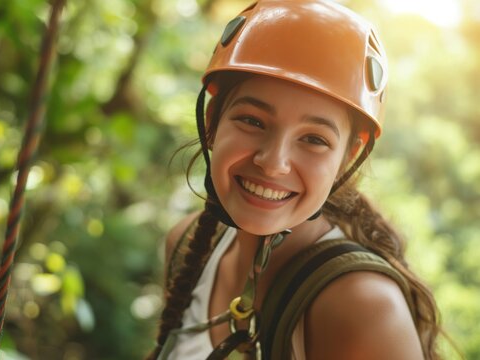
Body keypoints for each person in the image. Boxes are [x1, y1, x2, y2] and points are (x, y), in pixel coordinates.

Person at [148, 0, 441, 359]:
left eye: (314, 139)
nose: (273, 163)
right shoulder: (187, 245)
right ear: (212, 121)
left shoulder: (361, 308)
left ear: (346, 157)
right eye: (253, 121)